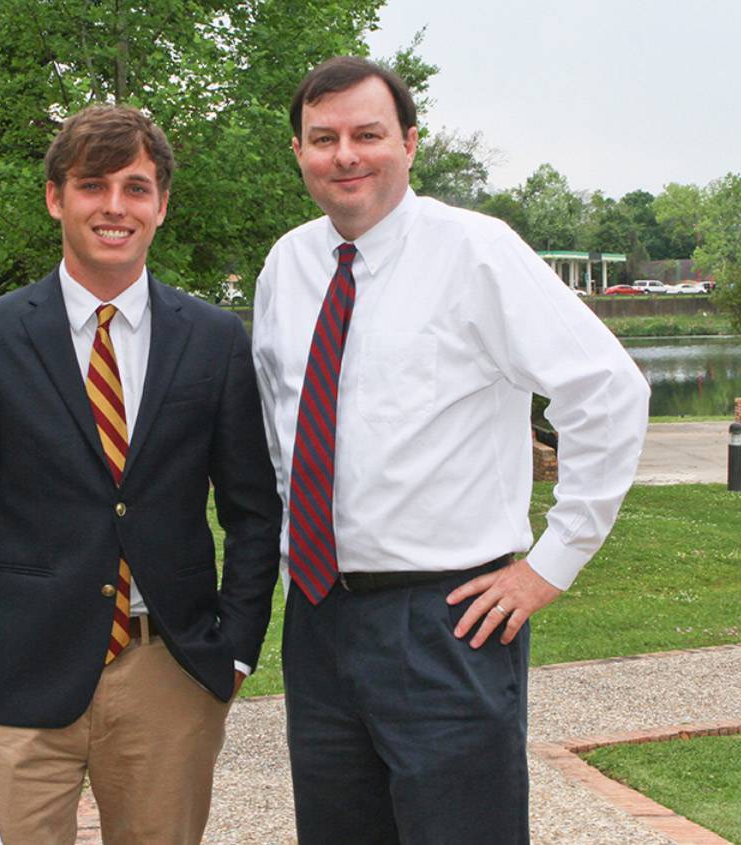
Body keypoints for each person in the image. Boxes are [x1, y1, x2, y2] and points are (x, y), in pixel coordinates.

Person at [251, 56, 650, 844]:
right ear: (298, 151)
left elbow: (608, 391)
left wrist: (549, 565)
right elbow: (281, 430)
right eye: (322, 137)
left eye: (367, 134)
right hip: (320, 618)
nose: (345, 155)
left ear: (409, 142)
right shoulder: (285, 267)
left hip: (448, 622)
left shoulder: (476, 251)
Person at [0, 104, 281, 844]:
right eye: (93, 185)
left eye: (136, 187)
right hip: (16, 676)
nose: (115, 206)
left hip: (167, 673)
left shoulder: (213, 339)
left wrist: (235, 647)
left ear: (162, 205)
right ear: (56, 197)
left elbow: (253, 510)